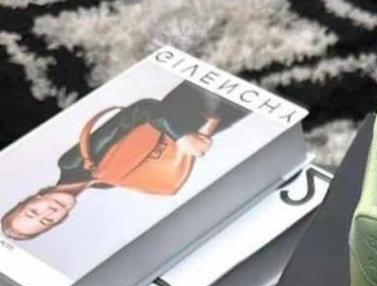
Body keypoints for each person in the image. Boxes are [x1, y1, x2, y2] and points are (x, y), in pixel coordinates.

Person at [2, 81, 245, 240]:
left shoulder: (73, 163)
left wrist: (181, 136)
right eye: (47, 220)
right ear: (60, 221)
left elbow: (143, 110)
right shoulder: (104, 184)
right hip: (215, 120)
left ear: (33, 198)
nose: (49, 211)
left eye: (33, 211)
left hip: (200, 96)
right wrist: (201, 134)